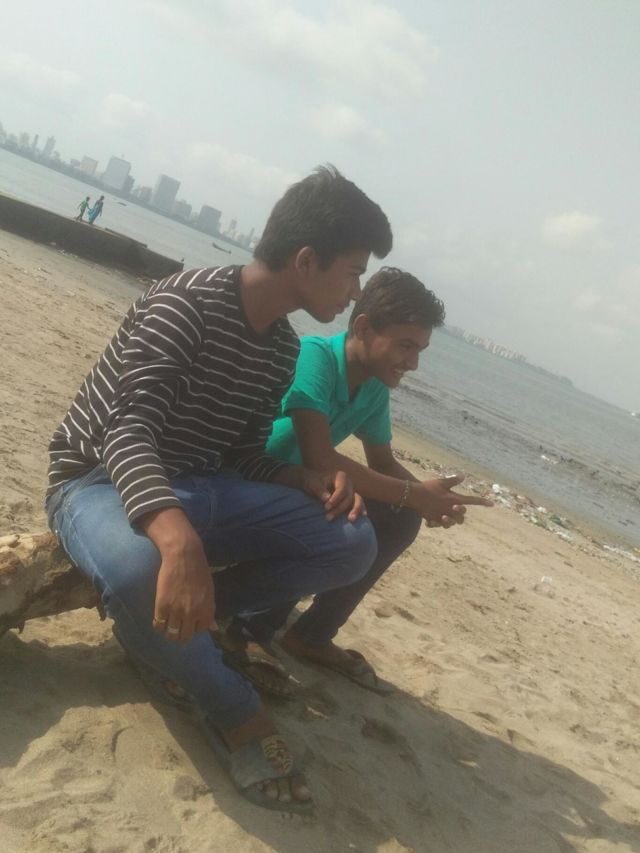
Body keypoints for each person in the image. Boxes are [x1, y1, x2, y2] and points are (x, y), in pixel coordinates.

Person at [46, 166, 393, 814]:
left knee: (352, 541)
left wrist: (303, 478)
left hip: (203, 482)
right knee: (139, 565)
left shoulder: (280, 348)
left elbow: (239, 455)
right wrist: (178, 543)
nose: (354, 293)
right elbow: (126, 431)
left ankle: (180, 627)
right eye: (352, 273)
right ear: (306, 260)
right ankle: (234, 710)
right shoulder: (185, 302)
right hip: (96, 481)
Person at [225, 268, 492, 695]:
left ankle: (312, 635)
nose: (413, 363)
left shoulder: (373, 387)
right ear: (364, 328)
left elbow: (382, 462)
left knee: (399, 516)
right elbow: (321, 458)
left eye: (420, 350)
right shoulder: (315, 357)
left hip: (299, 487)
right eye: (405, 345)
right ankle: (247, 630)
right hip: (249, 479)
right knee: (335, 505)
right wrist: (415, 494)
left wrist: (429, 499)